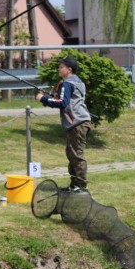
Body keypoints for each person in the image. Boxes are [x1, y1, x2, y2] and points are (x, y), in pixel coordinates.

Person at [35, 55, 92, 192]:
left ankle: (82, 187)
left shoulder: (67, 83)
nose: (58, 69)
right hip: (81, 121)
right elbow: (67, 100)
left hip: (76, 123)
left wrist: (43, 99)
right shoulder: (78, 82)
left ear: (69, 69)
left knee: (77, 155)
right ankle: (75, 185)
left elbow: (62, 103)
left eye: (61, 67)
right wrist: (50, 98)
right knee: (71, 153)